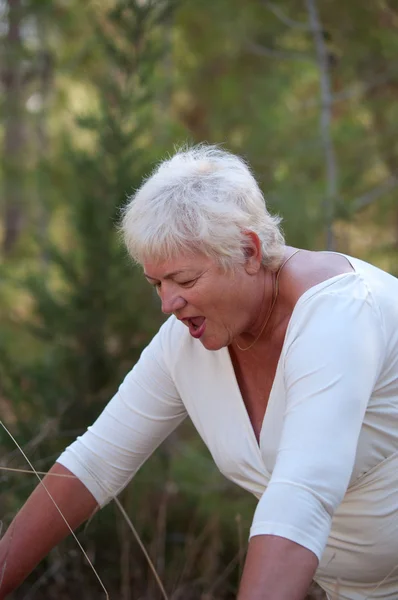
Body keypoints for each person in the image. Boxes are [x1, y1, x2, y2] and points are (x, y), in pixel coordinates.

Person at [1, 145, 398, 600]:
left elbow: (302, 495)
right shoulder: (191, 338)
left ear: (249, 251)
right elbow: (95, 461)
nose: (168, 304)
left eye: (185, 281)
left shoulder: (341, 314)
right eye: (157, 284)